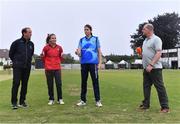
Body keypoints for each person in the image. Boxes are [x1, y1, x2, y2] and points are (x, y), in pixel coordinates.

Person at [139, 23, 170, 113]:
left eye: (144, 29)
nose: (142, 30)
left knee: (159, 87)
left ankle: (165, 107)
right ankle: (146, 104)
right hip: (146, 68)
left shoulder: (156, 39)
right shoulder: (145, 40)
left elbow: (158, 53)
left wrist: (151, 65)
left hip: (155, 68)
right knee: (146, 87)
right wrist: (141, 53)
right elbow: (147, 54)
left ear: (149, 30)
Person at [75, 24, 102, 107]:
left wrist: (100, 63)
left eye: (87, 29)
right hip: (84, 64)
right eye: (84, 29)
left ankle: (98, 101)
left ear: (91, 30)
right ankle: (83, 100)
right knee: (83, 82)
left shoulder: (96, 39)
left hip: (93, 64)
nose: (85, 31)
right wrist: (77, 53)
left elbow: (99, 52)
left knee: (95, 82)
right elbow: (79, 52)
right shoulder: (81, 40)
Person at [9, 27, 34, 109]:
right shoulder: (16, 43)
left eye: (31, 32)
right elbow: (11, 54)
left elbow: (31, 55)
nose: (31, 34)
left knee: (25, 84)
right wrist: (16, 62)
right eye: (29, 32)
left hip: (27, 67)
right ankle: (14, 102)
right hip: (18, 67)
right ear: (24, 33)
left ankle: (22, 101)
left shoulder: (31, 44)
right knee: (16, 83)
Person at [41, 34, 64, 105]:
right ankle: (51, 99)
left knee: (59, 84)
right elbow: (43, 58)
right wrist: (48, 64)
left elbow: (61, 57)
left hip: (57, 68)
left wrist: (57, 62)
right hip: (48, 69)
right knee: (50, 84)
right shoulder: (45, 48)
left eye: (55, 38)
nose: (54, 39)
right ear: (49, 39)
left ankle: (60, 99)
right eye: (52, 38)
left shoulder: (59, 48)